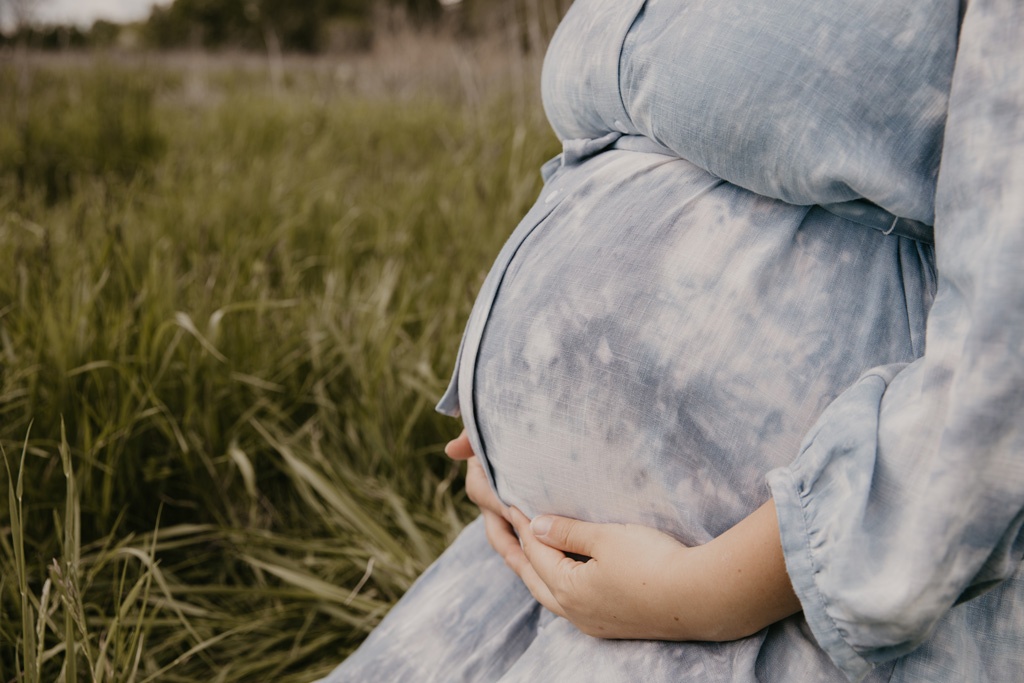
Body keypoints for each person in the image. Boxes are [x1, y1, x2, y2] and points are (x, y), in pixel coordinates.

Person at [318, 0, 1024, 680]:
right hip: (526, 574)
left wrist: (703, 593)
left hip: (781, 606)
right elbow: (604, 163)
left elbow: (1007, 343)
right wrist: (505, 411)